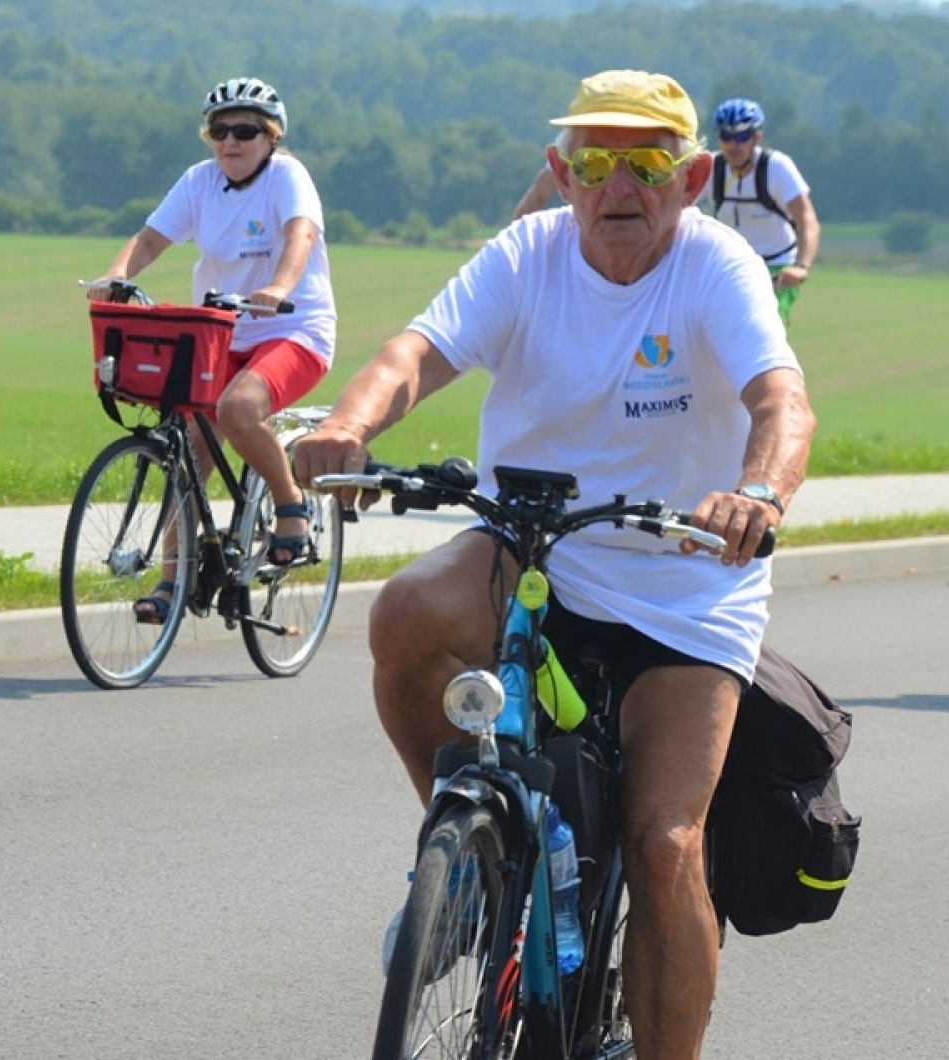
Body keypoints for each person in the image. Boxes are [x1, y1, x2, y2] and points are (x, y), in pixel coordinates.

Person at [293, 69, 815, 1060]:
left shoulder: (716, 269)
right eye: (592, 159)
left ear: (693, 176)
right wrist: (350, 423)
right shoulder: (526, 254)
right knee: (402, 614)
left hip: (683, 583)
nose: (618, 182)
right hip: (532, 547)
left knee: (664, 846)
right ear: (559, 172)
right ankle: (472, 879)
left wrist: (758, 492)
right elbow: (416, 351)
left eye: (647, 160)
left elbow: (782, 402)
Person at [88, 77, 337, 622]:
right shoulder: (199, 182)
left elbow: (301, 236)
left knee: (238, 409)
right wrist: (117, 275)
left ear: (271, 137)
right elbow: (151, 238)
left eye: (245, 130)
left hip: (293, 330)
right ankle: (172, 582)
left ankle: (290, 503)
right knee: (187, 446)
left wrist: (278, 288)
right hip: (222, 333)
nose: (231, 141)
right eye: (219, 130)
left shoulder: (288, 177)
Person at [706, 98, 821, 325]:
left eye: (741, 137)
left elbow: (808, 221)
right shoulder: (711, 168)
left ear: (757, 137)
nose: (733, 146)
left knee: (763, 326)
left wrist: (800, 266)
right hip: (733, 266)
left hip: (778, 268)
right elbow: (677, 208)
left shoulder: (776, 167)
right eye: (726, 137)